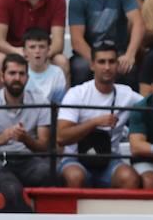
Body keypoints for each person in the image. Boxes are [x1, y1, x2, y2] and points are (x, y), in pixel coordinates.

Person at [55, 41, 140, 189]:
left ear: (117, 65)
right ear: (92, 65)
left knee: (129, 178)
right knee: (75, 176)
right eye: (101, 62)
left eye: (111, 62)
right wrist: (94, 123)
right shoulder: (76, 94)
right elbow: (61, 137)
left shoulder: (127, 94)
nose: (107, 67)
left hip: (110, 160)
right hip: (75, 160)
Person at [0, 52, 54, 191]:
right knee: (0, 177)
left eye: (21, 74)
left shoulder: (41, 102)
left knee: (47, 171)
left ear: (27, 78)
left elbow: (43, 147)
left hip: (29, 160)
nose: (17, 78)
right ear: (2, 77)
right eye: (12, 73)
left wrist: (25, 139)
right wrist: (1, 139)